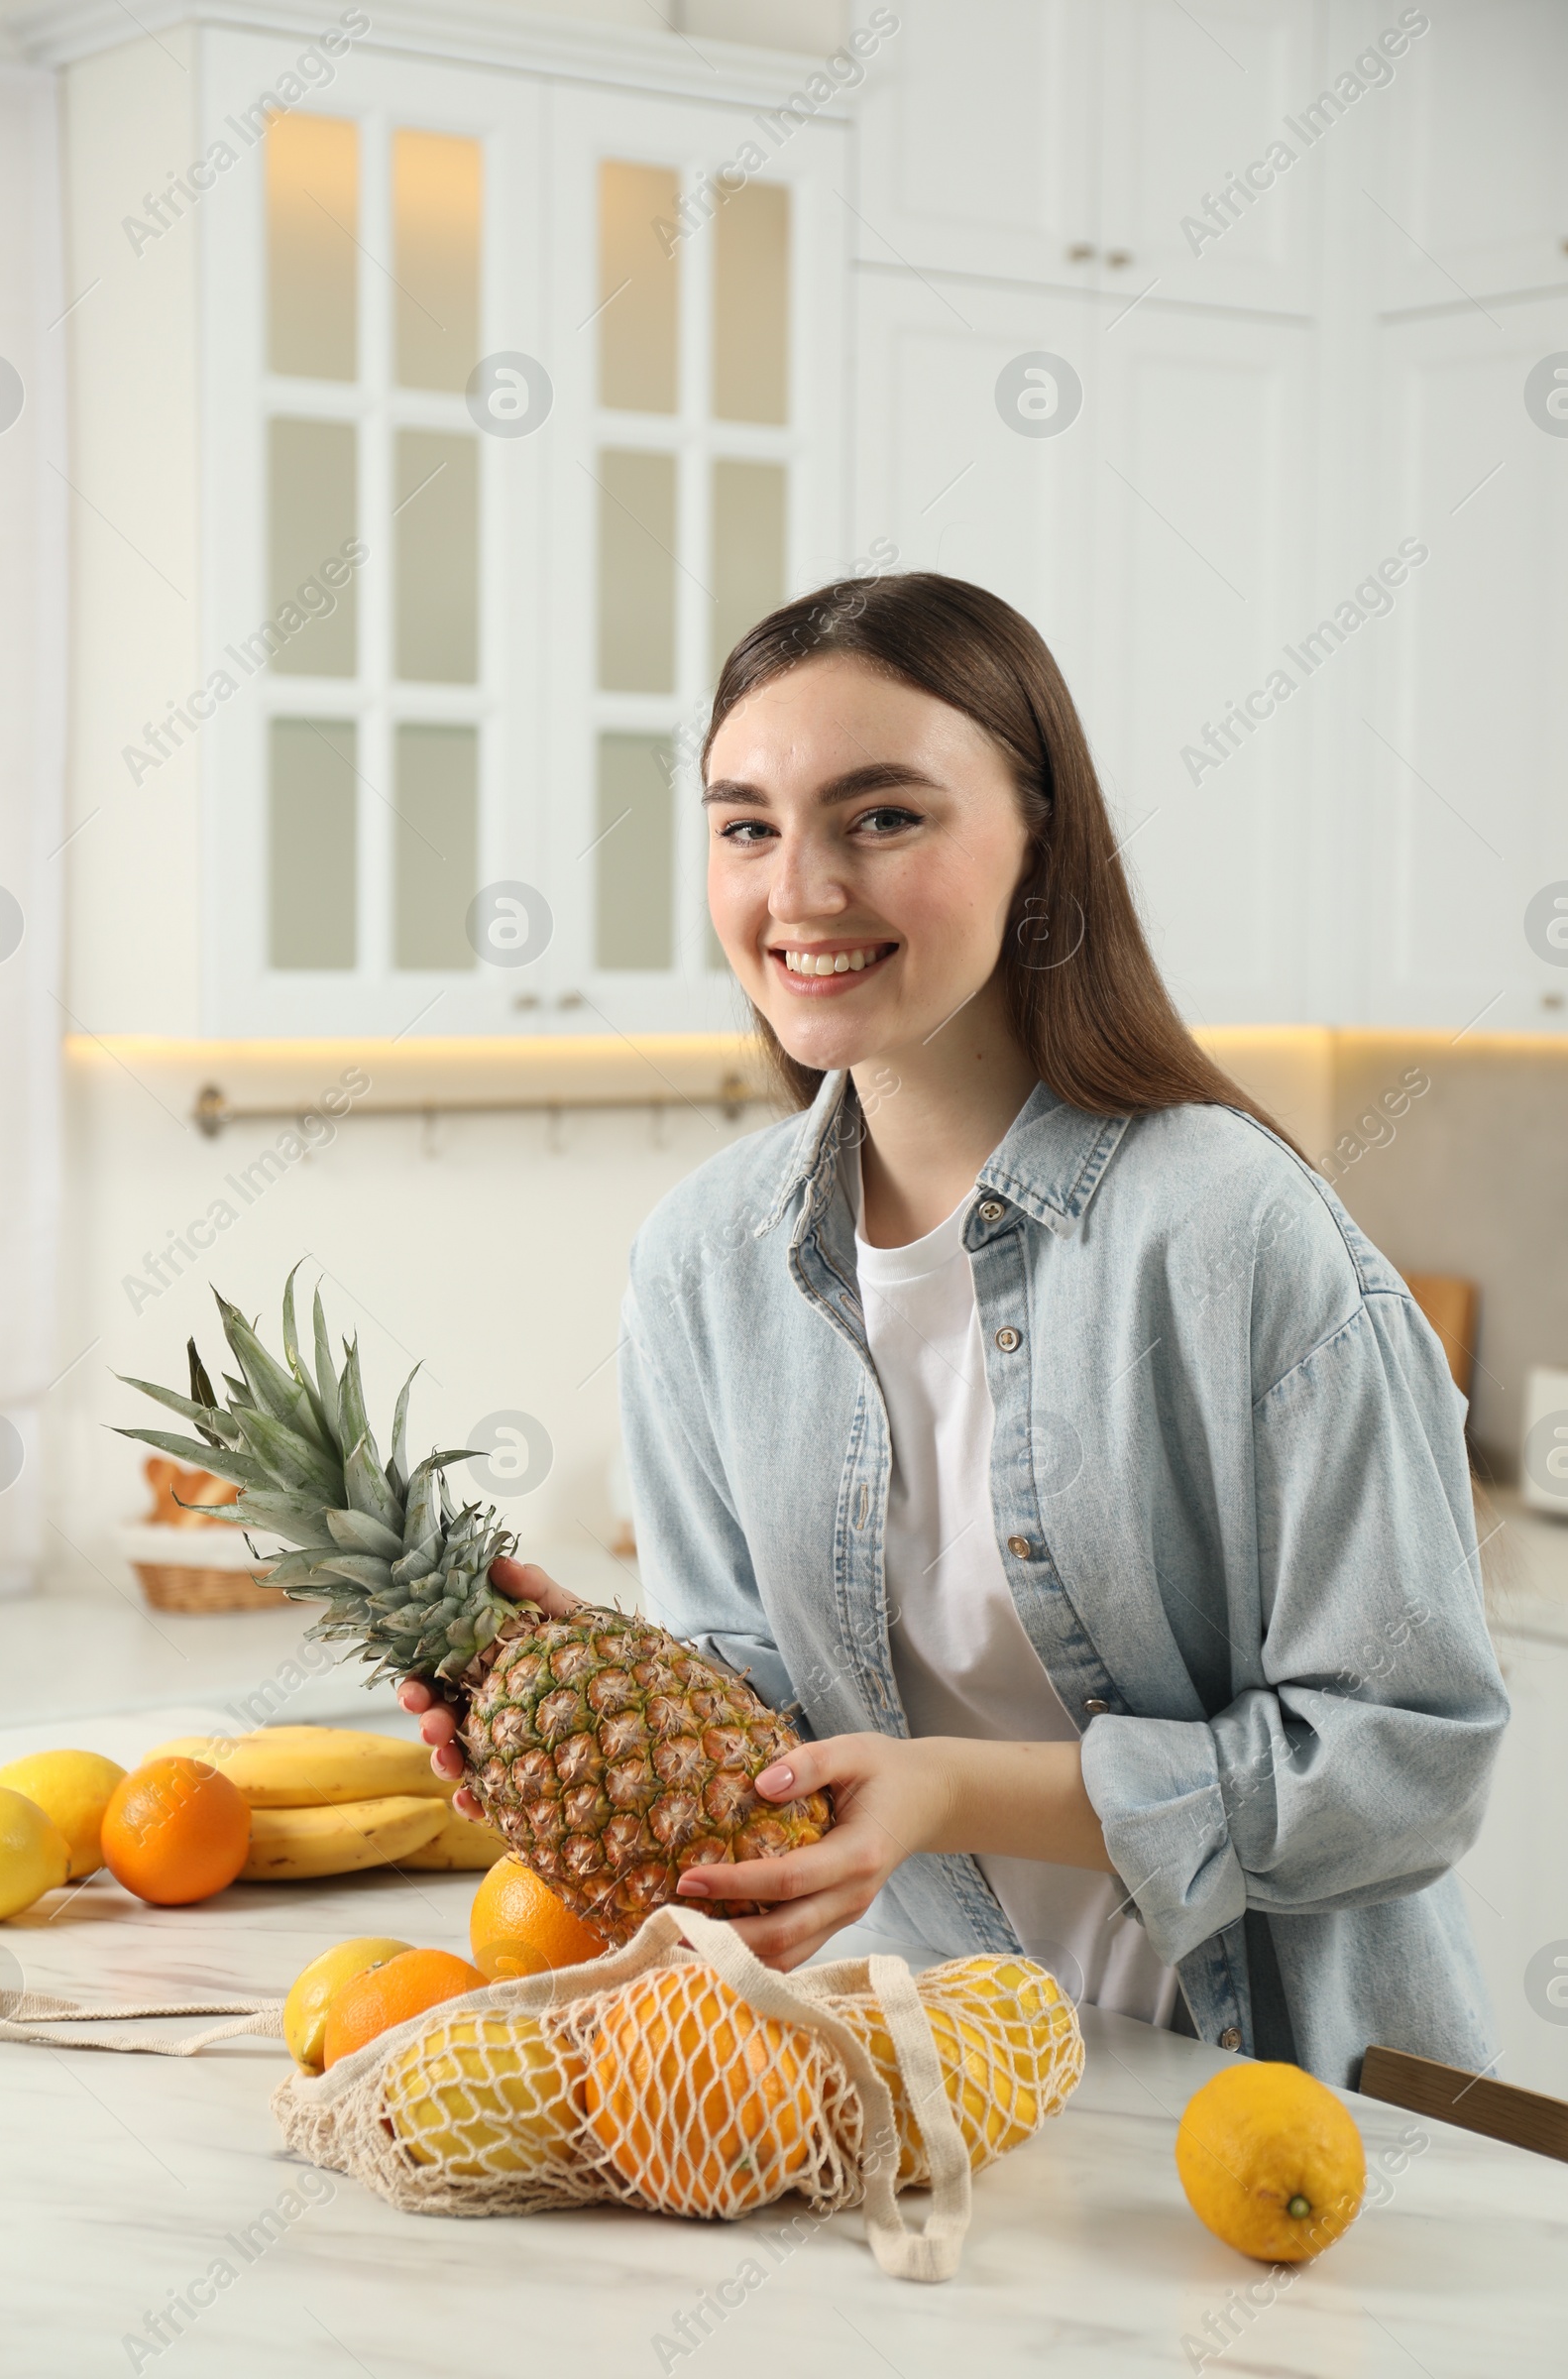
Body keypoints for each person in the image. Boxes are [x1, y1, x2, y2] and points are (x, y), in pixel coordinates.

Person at [401, 572, 1507, 2089]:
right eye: (745, 826)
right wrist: (575, 1696)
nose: (799, 891)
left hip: (1283, 2103)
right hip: (931, 2086)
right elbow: (765, 1710)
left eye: (882, 818)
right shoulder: (703, 1263)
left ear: (1037, 841)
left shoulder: (1237, 1233)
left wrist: (948, 1790)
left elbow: (1409, 1768)